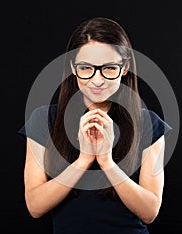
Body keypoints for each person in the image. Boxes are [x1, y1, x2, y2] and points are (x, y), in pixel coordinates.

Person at [18, 17, 172, 234]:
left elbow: (149, 211)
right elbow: (35, 206)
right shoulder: (43, 120)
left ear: (125, 67)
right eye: (86, 67)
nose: (97, 80)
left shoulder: (148, 123)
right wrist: (83, 160)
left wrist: (107, 161)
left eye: (109, 68)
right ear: (73, 67)